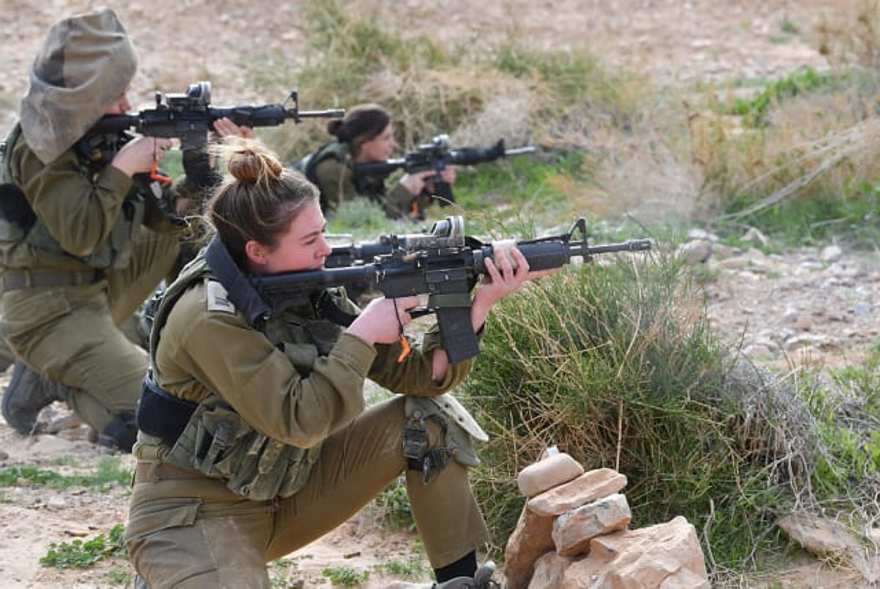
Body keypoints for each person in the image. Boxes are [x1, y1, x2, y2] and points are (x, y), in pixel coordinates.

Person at [126, 139, 547, 588]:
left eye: (323, 231)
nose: (325, 249)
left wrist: (478, 304)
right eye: (310, 240)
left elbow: (422, 378)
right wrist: (362, 335)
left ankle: (463, 583)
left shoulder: (305, 287)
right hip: (193, 514)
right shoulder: (206, 316)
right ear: (257, 251)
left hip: (281, 489)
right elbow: (300, 419)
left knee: (426, 422)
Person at [0, 9, 214, 450]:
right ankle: (58, 378)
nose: (123, 106)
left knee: (175, 234)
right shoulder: (38, 144)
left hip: (95, 292)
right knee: (168, 416)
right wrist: (122, 167)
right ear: (84, 94)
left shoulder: (95, 136)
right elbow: (81, 232)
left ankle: (55, 375)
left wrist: (202, 162)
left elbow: (162, 218)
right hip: (46, 312)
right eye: (113, 94)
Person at [299, 103, 456, 220]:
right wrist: (404, 188)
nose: (393, 144)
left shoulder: (365, 167)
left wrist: (425, 191)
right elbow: (360, 221)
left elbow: (392, 212)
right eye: (386, 138)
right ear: (365, 142)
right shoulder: (332, 168)